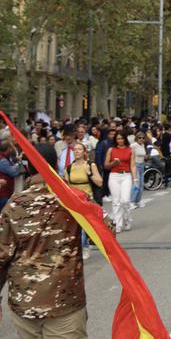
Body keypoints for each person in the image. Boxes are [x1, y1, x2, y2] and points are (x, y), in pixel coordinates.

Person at [0, 144, 89, 338]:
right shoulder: (74, 199)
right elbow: (106, 229)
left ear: (27, 166)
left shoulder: (14, 205)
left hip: (24, 302)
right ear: (55, 164)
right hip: (65, 302)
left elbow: (2, 255)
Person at [65, 142, 103, 260]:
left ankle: (85, 247)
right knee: (77, 226)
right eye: (75, 150)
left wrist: (89, 173)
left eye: (79, 149)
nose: (77, 151)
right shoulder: (69, 168)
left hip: (87, 199)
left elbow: (99, 182)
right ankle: (80, 248)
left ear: (84, 152)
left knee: (85, 226)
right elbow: (67, 185)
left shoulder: (90, 165)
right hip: (74, 200)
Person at [104, 132, 135, 233]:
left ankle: (127, 219)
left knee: (125, 200)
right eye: (118, 139)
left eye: (121, 138)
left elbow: (133, 166)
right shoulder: (111, 150)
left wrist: (135, 179)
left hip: (126, 175)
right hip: (114, 176)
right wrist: (114, 163)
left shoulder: (130, 150)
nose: (120, 141)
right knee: (116, 202)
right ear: (115, 140)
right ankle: (118, 224)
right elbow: (106, 165)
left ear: (125, 139)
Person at [0, 141, 24, 211]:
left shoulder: (5, 158)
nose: (12, 149)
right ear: (8, 149)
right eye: (11, 148)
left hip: (6, 192)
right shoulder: (2, 161)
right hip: (3, 194)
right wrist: (19, 163)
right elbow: (13, 172)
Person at [130, 132, 147, 209]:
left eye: (143, 138)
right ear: (136, 138)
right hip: (135, 165)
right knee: (136, 183)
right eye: (140, 138)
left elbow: (143, 155)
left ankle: (138, 200)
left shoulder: (143, 145)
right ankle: (132, 202)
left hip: (141, 165)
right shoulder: (133, 145)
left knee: (141, 184)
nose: (141, 139)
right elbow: (129, 154)